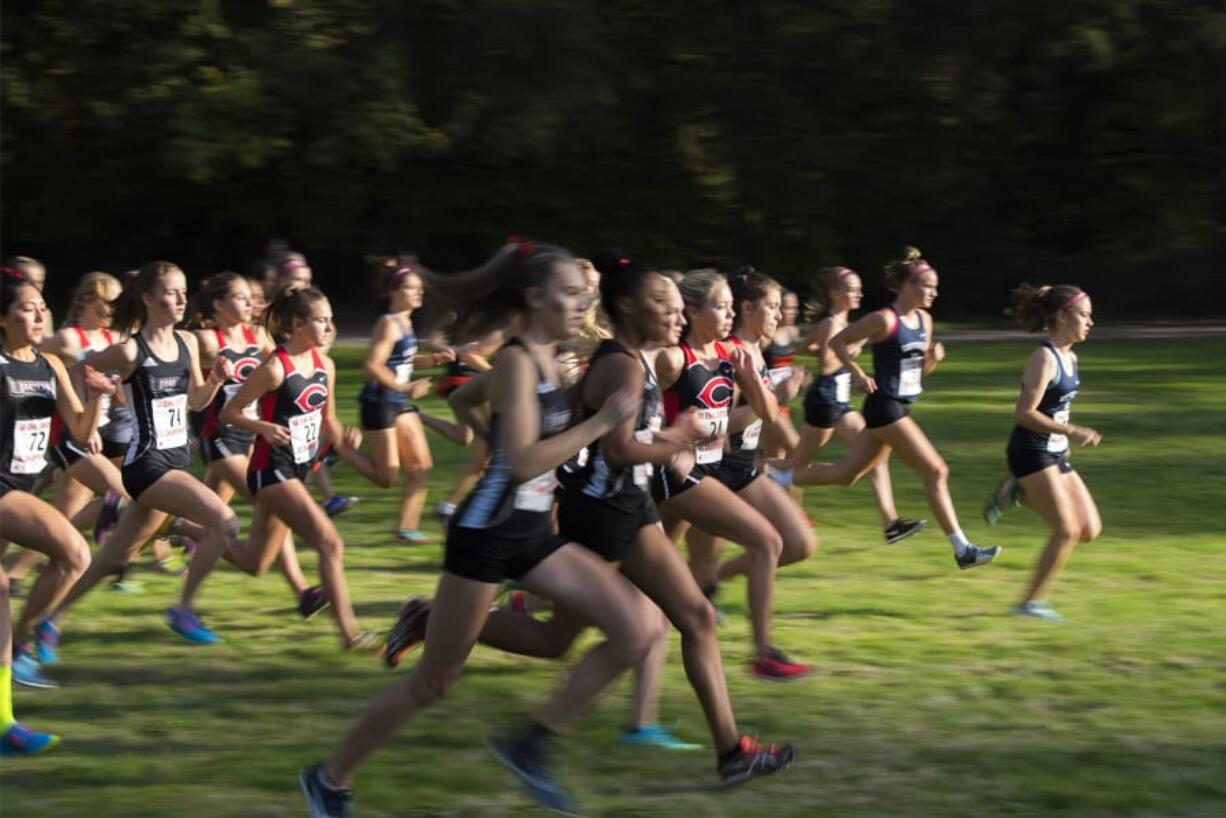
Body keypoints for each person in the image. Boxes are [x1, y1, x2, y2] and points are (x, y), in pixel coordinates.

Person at [301, 240, 669, 817]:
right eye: (572, 293)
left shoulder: (552, 358)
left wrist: (496, 438)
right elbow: (522, 461)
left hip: (532, 532)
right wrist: (597, 422)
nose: (583, 303)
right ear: (534, 296)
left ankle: (529, 746)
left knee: (640, 627)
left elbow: (470, 401)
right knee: (433, 683)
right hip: (487, 533)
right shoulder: (520, 362)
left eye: (586, 293)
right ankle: (328, 778)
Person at [41, 261, 242, 646]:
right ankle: (183, 609)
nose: (181, 299)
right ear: (149, 298)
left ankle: (49, 621)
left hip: (176, 459)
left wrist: (215, 379)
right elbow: (78, 369)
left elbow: (197, 403)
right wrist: (95, 395)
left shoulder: (187, 343)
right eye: (171, 291)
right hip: (146, 466)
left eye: (184, 291)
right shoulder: (131, 350)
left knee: (114, 557)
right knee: (226, 523)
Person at [770, 248, 1001, 569]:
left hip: (900, 404)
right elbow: (837, 343)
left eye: (935, 287)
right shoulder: (883, 319)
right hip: (885, 408)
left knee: (847, 474)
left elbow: (916, 374)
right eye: (928, 286)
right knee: (936, 470)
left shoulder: (925, 321)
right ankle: (962, 549)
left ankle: (777, 478)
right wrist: (859, 374)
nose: (934, 292)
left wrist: (930, 362)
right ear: (907, 286)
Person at [653, 269, 813, 681]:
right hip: (680, 475)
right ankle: (762, 652)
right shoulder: (672, 358)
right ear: (692, 311)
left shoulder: (730, 353)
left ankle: (539, 602)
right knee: (763, 543)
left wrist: (761, 383)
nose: (727, 316)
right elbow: (638, 411)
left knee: (645, 576)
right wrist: (674, 440)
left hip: (713, 472)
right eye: (720, 307)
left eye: (728, 307)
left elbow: (762, 411)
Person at [219, 285, 382, 648]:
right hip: (269, 471)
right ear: (297, 323)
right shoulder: (275, 368)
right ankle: (350, 633)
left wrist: (347, 445)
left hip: (297, 471)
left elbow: (331, 424)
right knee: (330, 543)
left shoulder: (327, 365)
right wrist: (261, 426)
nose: (329, 327)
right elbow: (229, 413)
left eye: (330, 320)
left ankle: (187, 530)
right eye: (321, 320)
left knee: (255, 563)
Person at [1, 268, 109, 724]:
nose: (40, 314)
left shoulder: (51, 366)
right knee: (74, 552)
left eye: (42, 306)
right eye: (27, 308)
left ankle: (5, 723)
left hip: (22, 483)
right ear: (3, 319)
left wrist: (100, 396)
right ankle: (27, 643)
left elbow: (82, 431)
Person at [192, 272, 321, 617]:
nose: (249, 302)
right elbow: (166, 352)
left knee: (213, 517)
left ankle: (175, 527)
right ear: (218, 304)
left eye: (251, 297)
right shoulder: (205, 341)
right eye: (240, 297)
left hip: (252, 435)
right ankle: (303, 590)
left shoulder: (258, 336)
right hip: (219, 438)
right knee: (277, 500)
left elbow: (282, 365)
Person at [770, 266, 926, 544]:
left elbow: (806, 348)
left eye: (858, 289)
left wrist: (832, 347)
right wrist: (851, 351)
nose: (858, 294)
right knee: (796, 463)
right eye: (851, 289)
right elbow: (827, 366)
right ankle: (751, 470)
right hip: (825, 400)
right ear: (834, 293)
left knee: (877, 455)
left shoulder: (836, 325)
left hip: (840, 402)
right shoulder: (831, 323)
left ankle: (891, 523)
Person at [988, 284, 1101, 620]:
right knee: (1066, 530)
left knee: (1089, 530)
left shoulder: (1071, 357)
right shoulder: (1044, 357)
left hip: (1054, 452)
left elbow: (1056, 410)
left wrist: (1064, 438)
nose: (1091, 322)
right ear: (1062, 316)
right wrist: (1071, 430)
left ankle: (1017, 489)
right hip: (1030, 451)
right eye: (1084, 315)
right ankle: (1029, 604)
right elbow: (1024, 413)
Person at [356, 265, 455, 543]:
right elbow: (371, 366)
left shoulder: (406, 322)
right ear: (394, 292)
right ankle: (340, 448)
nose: (419, 291)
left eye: (419, 287)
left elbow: (402, 362)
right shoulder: (388, 324)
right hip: (380, 401)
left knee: (421, 466)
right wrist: (404, 387)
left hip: (398, 401)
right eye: (412, 287)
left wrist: (435, 360)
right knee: (386, 477)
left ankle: (405, 530)